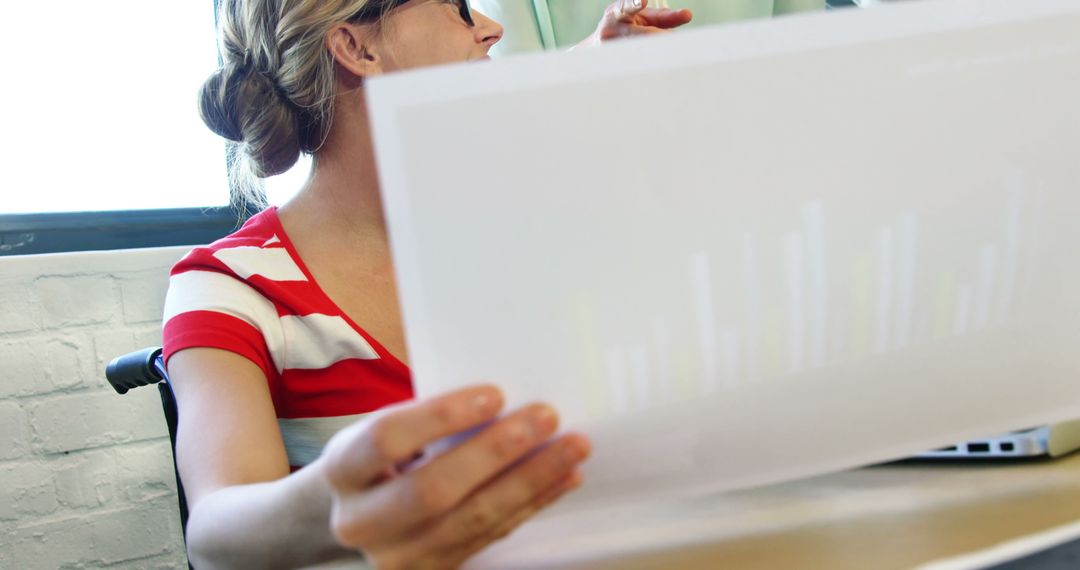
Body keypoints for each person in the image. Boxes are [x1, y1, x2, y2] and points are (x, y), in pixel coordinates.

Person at [163, 0, 691, 568]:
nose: (492, 28)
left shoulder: (517, 247)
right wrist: (331, 502)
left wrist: (593, 53)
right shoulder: (231, 286)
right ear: (359, 49)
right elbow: (216, 530)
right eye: (459, 10)